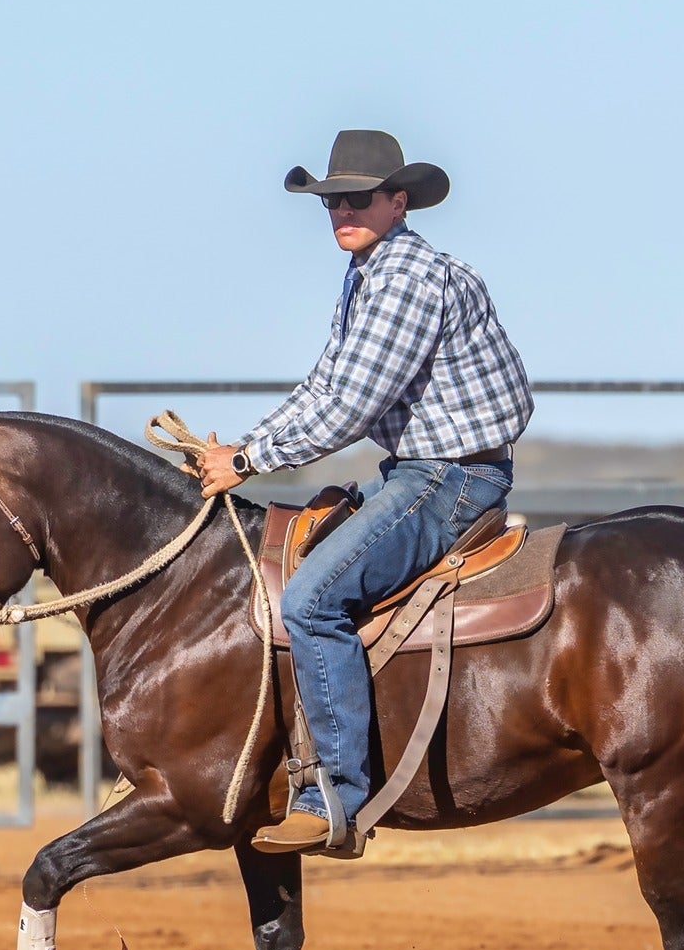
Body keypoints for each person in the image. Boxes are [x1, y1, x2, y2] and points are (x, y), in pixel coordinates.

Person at [194, 129, 533, 853]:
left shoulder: (405, 278)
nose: (340, 209)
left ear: (398, 201)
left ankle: (334, 797)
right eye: (330, 199)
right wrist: (241, 448)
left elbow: (349, 403)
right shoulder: (371, 272)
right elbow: (324, 382)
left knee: (312, 598)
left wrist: (250, 459)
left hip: (447, 477)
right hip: (430, 469)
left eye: (357, 197)